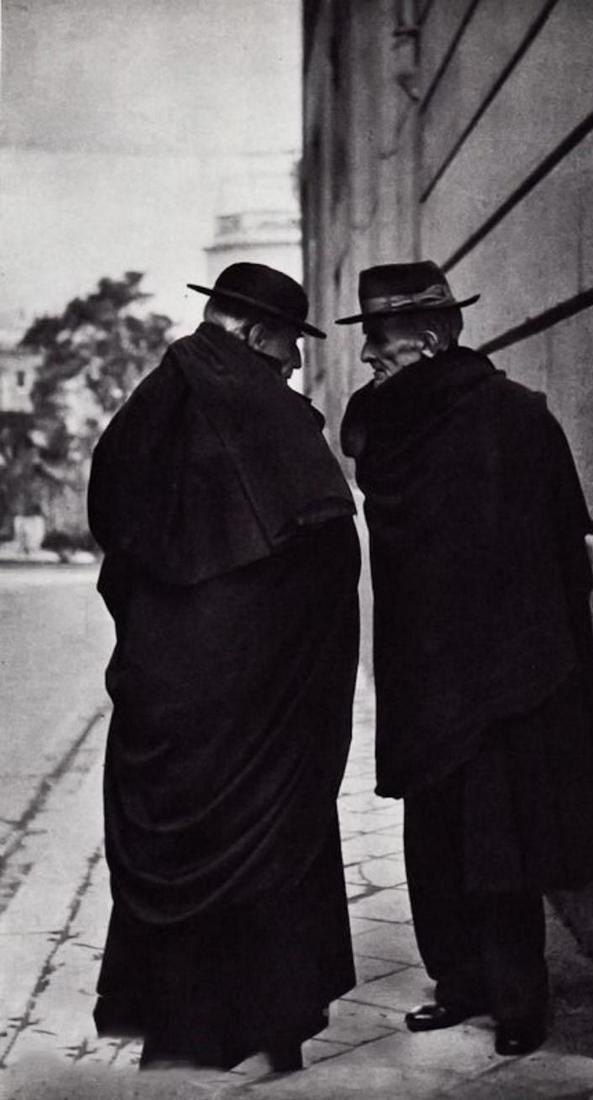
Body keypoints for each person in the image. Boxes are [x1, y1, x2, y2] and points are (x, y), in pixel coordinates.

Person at [338, 260, 593, 1058]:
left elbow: (567, 547)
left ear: (428, 339)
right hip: (425, 665)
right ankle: (458, 983)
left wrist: (539, 654)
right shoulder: (389, 429)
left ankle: (518, 999)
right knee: (434, 835)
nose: (367, 358)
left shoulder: (516, 417)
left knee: (501, 838)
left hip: (505, 672)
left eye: (380, 341)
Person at [88, 263, 360, 1072]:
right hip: (259, 693)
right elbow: (321, 549)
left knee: (177, 842)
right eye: (286, 348)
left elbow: (118, 533)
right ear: (248, 333)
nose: (294, 368)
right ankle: (269, 1027)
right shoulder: (260, 407)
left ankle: (178, 1030)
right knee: (271, 845)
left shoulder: (153, 399)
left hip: (166, 684)